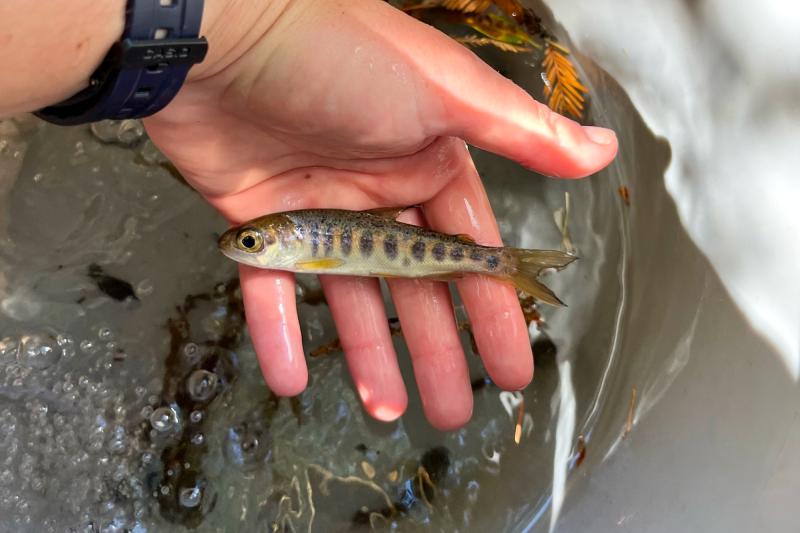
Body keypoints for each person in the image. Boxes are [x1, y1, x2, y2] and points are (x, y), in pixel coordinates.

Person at [0, 0, 617, 430]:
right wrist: (248, 24)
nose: (238, 244)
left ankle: (502, 264)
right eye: (249, 240)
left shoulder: (297, 237)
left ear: (274, 238)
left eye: (249, 240)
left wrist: (252, 25)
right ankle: (500, 264)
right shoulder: (295, 236)